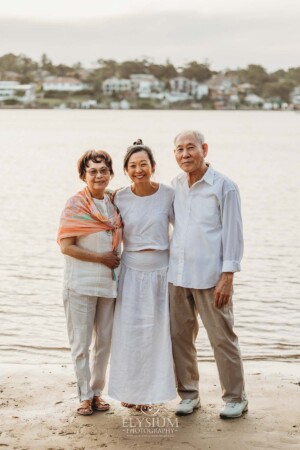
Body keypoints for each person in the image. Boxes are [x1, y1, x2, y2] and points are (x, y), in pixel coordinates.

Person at [168, 130, 248, 418]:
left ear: (204, 149)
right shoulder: (174, 186)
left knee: (222, 338)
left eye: (191, 148)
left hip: (212, 277)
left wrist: (228, 275)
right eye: (179, 149)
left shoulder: (224, 187)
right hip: (176, 276)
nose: (185, 154)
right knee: (179, 338)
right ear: (174, 154)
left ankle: (235, 398)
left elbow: (234, 234)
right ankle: (189, 395)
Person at [108, 139, 176, 410]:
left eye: (143, 164)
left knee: (157, 334)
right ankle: (129, 392)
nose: (139, 170)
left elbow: (183, 230)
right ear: (125, 170)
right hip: (130, 271)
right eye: (133, 166)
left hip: (162, 270)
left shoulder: (169, 194)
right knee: (130, 334)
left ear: (153, 167)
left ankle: (150, 395)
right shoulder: (119, 197)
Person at [57, 149, 122, 416]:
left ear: (110, 173)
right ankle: (84, 395)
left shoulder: (114, 204)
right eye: (92, 171)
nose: (98, 175)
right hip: (80, 285)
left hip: (108, 285)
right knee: (81, 343)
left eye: (103, 170)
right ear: (83, 175)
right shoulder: (75, 204)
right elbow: (65, 246)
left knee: (104, 342)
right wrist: (100, 258)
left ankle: (97, 392)